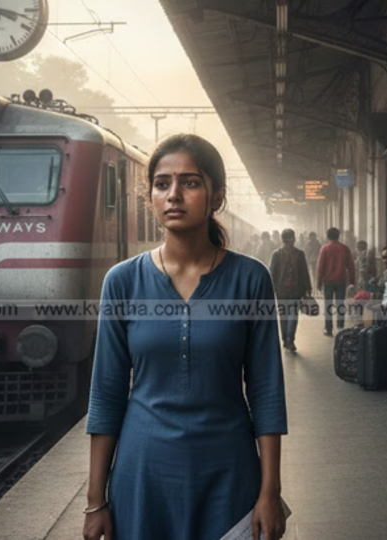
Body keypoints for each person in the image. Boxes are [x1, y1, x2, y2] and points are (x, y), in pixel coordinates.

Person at [84, 134, 288, 540]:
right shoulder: (122, 281)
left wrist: (270, 491)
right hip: (143, 477)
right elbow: (106, 392)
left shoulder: (250, 279)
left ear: (217, 197)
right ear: (151, 197)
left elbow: (266, 390)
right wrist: (95, 501)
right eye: (162, 184)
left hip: (229, 474)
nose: (174, 195)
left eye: (190, 182)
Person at [269, 228, 311, 352]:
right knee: (288, 315)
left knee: (289, 315)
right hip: (284, 290)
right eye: (292, 237)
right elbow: (272, 273)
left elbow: (304, 272)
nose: (294, 239)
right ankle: (287, 339)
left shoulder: (284, 254)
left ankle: (288, 339)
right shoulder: (279, 254)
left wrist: (308, 288)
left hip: (293, 291)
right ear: (286, 239)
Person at [315, 227, 355, 336]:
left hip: (328, 281)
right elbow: (351, 266)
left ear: (327, 236)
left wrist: (318, 283)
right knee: (340, 303)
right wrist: (352, 281)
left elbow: (320, 267)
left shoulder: (325, 248)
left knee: (328, 304)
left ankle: (328, 328)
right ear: (339, 235)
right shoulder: (344, 248)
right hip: (341, 281)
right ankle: (340, 326)